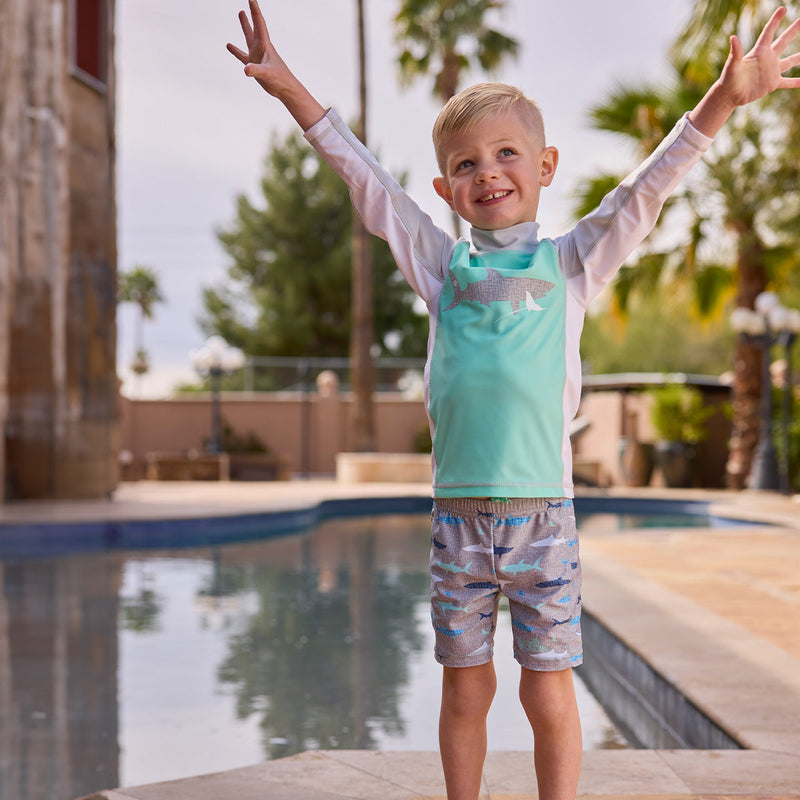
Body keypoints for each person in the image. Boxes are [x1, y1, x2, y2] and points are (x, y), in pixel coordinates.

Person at [227, 4, 800, 799]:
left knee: (547, 685)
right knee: (466, 687)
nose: (487, 171)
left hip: (545, 521)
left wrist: (725, 100)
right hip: (458, 521)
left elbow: (650, 182)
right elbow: (366, 180)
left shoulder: (572, 264)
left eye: (505, 153)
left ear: (545, 165)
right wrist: (291, 89)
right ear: (446, 188)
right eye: (465, 163)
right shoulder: (440, 265)